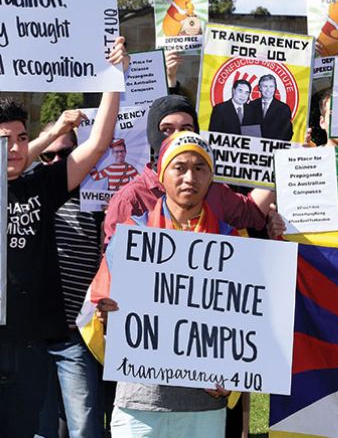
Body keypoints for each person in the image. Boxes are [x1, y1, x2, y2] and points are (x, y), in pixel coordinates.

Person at [0, 33, 128, 437]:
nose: (18, 149)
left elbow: (97, 145)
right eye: (4, 142)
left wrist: (114, 77)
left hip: (32, 348)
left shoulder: (42, 184)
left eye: (22, 139)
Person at [92, 132, 233, 438]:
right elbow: (95, 313)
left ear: (211, 178)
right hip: (141, 405)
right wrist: (105, 317)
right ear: (161, 175)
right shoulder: (132, 236)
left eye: (200, 168)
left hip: (205, 408)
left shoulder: (232, 242)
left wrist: (233, 380)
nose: (189, 177)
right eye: (179, 167)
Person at [103, 94, 275, 248]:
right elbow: (116, 264)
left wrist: (283, 160)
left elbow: (252, 212)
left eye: (186, 129)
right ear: (153, 133)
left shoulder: (213, 189)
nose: (176, 136)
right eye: (167, 129)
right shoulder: (130, 199)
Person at [32, 121, 107, 438]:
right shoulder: (28, 197)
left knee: (85, 426)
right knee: (38, 428)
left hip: (75, 334)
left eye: (65, 153)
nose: (56, 161)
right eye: (47, 156)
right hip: (31, 337)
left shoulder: (97, 204)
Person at [245, 74, 293, 141]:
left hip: (274, 148)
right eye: (265, 86)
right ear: (260, 88)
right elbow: (247, 127)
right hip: (254, 146)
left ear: (275, 88)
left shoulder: (284, 108)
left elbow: (287, 133)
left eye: (271, 86)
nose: (268, 90)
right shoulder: (252, 105)